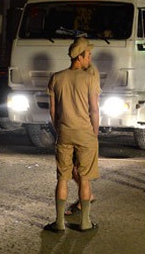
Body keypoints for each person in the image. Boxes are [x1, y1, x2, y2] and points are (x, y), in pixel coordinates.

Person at [44, 37, 100, 232]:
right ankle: (85, 223)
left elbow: (53, 111)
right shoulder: (89, 78)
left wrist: (58, 129)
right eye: (88, 55)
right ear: (80, 57)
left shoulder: (56, 78)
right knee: (84, 178)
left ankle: (59, 223)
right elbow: (94, 109)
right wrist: (95, 132)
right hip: (85, 134)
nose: (90, 59)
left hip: (64, 133)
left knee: (62, 178)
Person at [64, 63, 101, 216]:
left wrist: (94, 132)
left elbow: (94, 107)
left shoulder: (89, 75)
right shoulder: (83, 74)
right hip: (81, 128)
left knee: (78, 170)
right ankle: (86, 199)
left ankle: (84, 206)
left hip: (81, 128)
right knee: (77, 169)